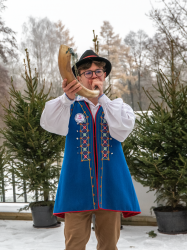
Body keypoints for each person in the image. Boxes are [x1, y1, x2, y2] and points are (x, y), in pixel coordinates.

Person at [40, 50, 140, 250]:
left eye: (99, 72)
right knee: (74, 245)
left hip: (110, 188)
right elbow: (48, 123)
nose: (94, 76)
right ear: (78, 77)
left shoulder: (117, 107)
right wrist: (67, 98)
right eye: (88, 72)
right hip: (75, 188)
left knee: (109, 245)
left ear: (104, 77)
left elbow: (122, 131)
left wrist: (101, 97)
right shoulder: (68, 107)